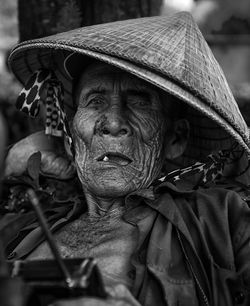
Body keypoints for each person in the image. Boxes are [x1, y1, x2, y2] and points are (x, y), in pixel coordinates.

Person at [1, 11, 250, 306]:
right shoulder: (20, 225)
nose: (113, 122)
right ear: (72, 131)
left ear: (175, 139)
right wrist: (13, 166)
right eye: (95, 101)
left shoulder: (221, 219)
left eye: (139, 101)